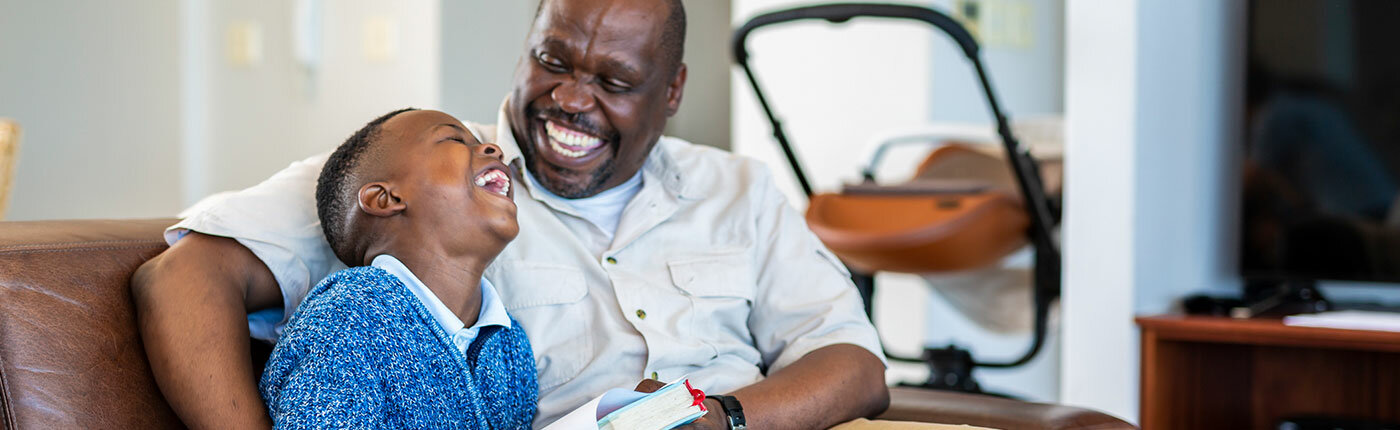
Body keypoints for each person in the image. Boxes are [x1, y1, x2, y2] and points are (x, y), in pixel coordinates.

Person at [132, 0, 892, 428]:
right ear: (528, 43)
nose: (570, 100)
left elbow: (853, 364)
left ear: (671, 91)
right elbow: (183, 278)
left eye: (615, 80)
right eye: (553, 61)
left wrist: (723, 422)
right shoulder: (417, 176)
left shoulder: (739, 190)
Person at [258, 108, 537, 428]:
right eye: (454, 139)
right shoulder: (351, 313)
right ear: (385, 199)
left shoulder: (512, 346)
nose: (494, 148)